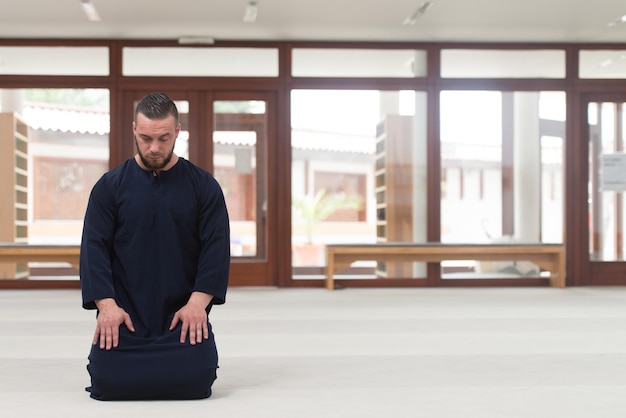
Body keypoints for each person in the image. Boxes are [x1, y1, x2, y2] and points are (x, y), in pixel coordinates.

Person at [79, 92, 230, 401]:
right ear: (134, 129)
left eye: (163, 138)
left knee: (196, 381)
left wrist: (197, 305)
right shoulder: (110, 186)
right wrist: (107, 308)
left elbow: (216, 249)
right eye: (146, 138)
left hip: (182, 315)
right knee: (107, 381)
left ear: (177, 132)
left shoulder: (203, 186)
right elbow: (93, 249)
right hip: (126, 315)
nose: (154, 148)